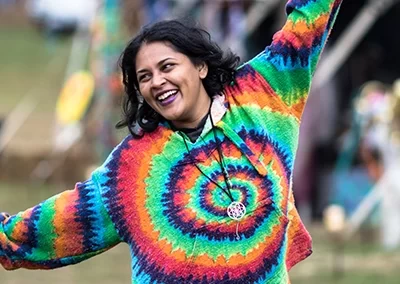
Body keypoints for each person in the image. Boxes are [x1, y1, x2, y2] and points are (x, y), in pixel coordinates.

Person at [1, 0, 343, 283]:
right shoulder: (134, 167)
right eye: (144, 77)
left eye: (167, 67)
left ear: (201, 67)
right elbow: (60, 222)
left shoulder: (263, 95)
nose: (157, 82)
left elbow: (308, 23)